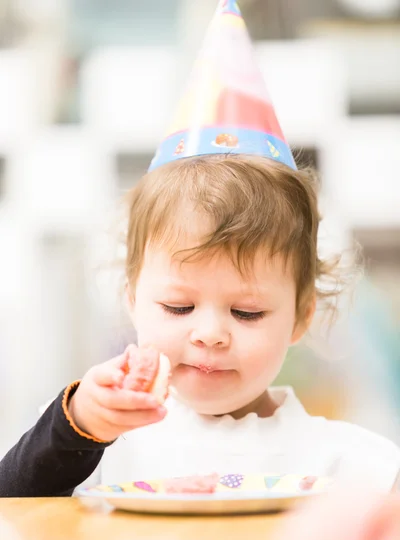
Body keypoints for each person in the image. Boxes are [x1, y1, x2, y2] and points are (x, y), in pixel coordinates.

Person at [0, 0, 399, 499]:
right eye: (179, 306)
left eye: (247, 312)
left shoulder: (348, 460)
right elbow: (11, 504)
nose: (209, 334)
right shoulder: (99, 444)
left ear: (300, 315)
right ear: (132, 297)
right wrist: (78, 423)